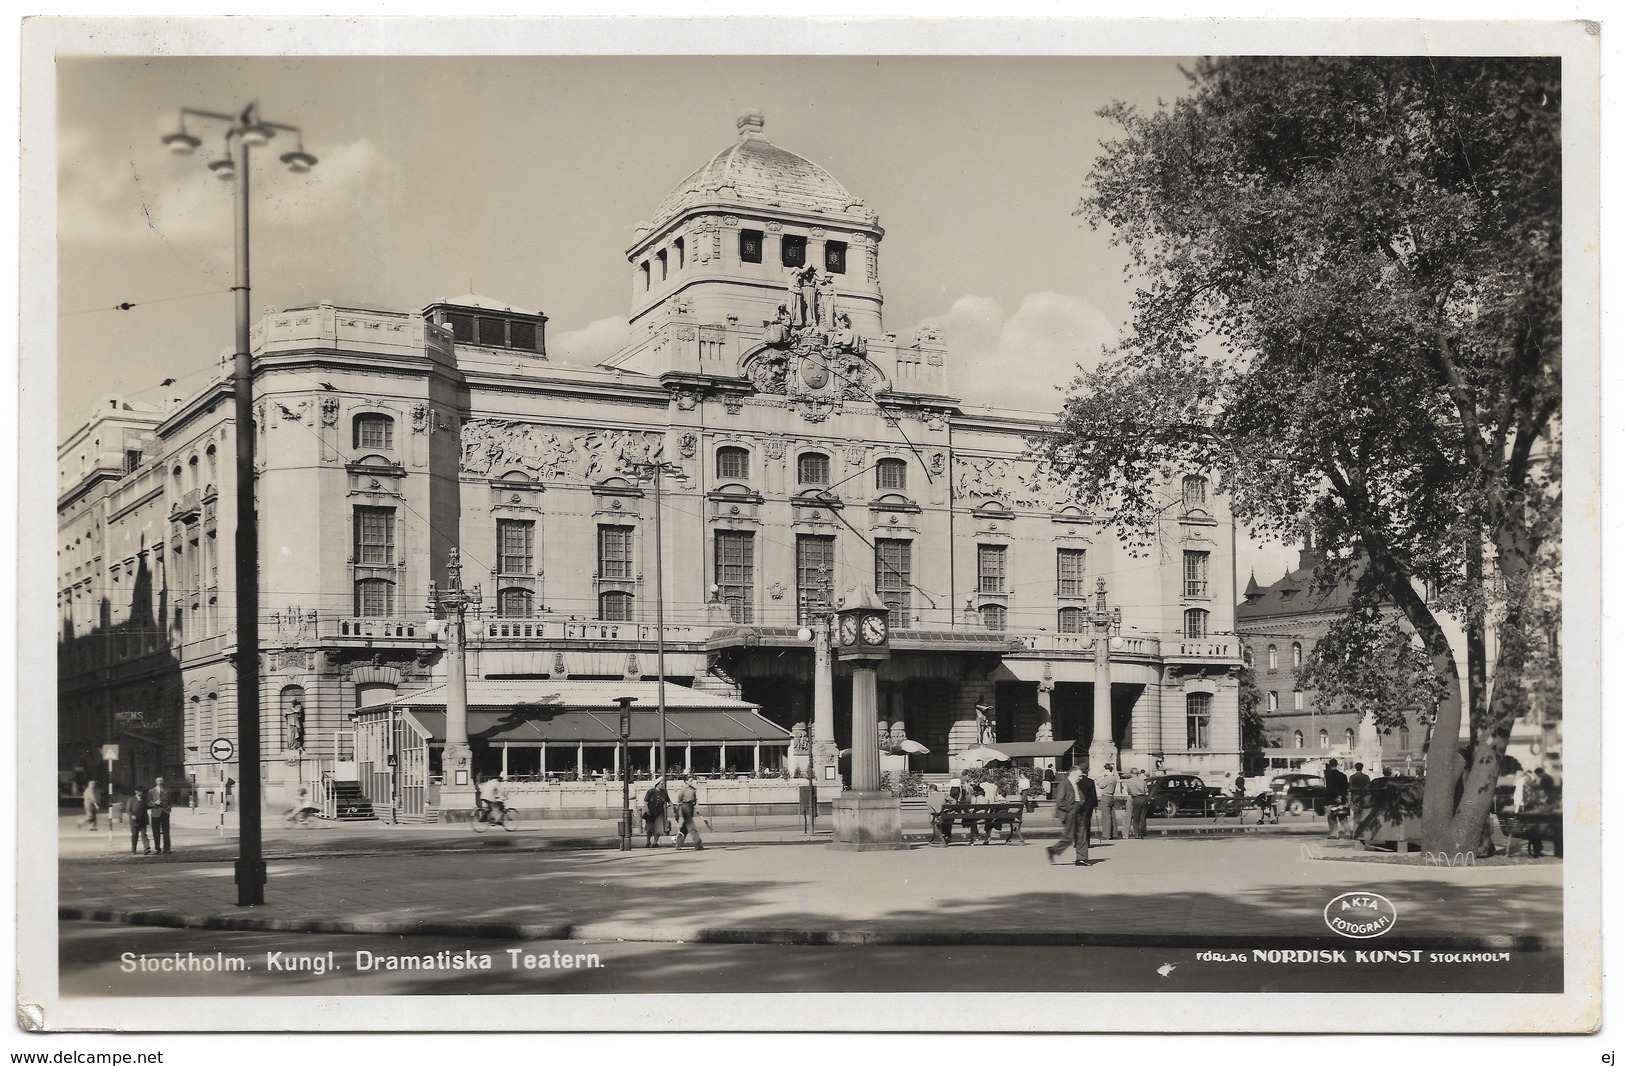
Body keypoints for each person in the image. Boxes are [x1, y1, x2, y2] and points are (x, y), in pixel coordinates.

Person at [1045, 766, 1097, 867]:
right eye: (1079, 776)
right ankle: (1053, 850)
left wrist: (1082, 804)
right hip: (1070, 814)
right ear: (1073, 774)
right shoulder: (1064, 784)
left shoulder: (1075, 784)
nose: (1080, 778)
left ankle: (1081, 859)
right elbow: (1060, 801)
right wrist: (1071, 809)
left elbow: (1079, 796)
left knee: (1082, 835)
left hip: (1079, 813)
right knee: (1069, 838)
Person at [673, 775, 705, 851]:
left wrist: (698, 809)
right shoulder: (683, 790)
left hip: (691, 807)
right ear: (686, 781)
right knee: (691, 826)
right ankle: (697, 842)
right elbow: (678, 802)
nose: (692, 782)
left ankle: (678, 842)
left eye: (692, 780)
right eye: (690, 780)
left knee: (685, 827)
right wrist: (676, 813)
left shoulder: (693, 790)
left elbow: (695, 801)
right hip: (685, 808)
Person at [1323, 759, 1350, 839]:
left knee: (1332, 818)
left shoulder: (1328, 776)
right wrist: (1341, 796)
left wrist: (1334, 797)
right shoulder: (1343, 775)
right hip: (1341, 800)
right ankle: (1348, 833)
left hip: (1331, 799)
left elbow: (1329, 788)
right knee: (1343, 817)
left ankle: (1334, 834)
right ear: (1337, 764)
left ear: (1330, 765)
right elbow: (1346, 787)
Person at [642, 777, 671, 848]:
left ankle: (655, 843)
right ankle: (648, 841)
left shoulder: (664, 792)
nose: (662, 785)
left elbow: (668, 800)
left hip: (659, 812)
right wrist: (647, 811)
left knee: (658, 829)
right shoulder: (650, 791)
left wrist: (673, 806)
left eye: (663, 784)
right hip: (651, 812)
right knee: (649, 828)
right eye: (661, 784)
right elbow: (645, 802)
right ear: (657, 784)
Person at [1094, 763, 1120, 841]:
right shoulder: (1114, 778)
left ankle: (1106, 834)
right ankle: (1114, 834)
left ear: (1106, 770)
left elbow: (1101, 785)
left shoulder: (1108, 778)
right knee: (1112, 816)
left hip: (1105, 796)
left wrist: (1099, 779)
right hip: (1111, 796)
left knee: (1106, 816)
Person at [147, 778, 172, 854]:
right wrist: (154, 803)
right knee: (156, 832)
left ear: (163, 782)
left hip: (164, 813)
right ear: (156, 782)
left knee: (166, 832)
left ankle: (167, 849)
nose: (160, 782)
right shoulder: (151, 791)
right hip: (155, 814)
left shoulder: (166, 791)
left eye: (161, 781)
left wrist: (168, 808)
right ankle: (157, 848)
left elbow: (170, 802)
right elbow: (148, 802)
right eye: (158, 781)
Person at [1126, 768, 1150, 838]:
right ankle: (1141, 833)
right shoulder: (1142, 781)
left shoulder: (1129, 782)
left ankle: (1136, 834)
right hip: (1143, 798)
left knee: (1136, 818)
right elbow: (1146, 791)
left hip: (1136, 799)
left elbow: (1128, 791)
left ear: (1132, 774)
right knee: (1142, 818)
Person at [127, 785, 151, 855]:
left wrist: (154, 805)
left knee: (144, 834)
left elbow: (147, 806)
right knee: (134, 835)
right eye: (139, 791)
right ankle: (133, 850)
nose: (141, 792)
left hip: (143, 820)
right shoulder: (131, 799)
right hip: (134, 821)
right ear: (136, 791)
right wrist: (132, 815)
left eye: (142, 791)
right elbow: (128, 809)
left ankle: (146, 848)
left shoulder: (144, 799)